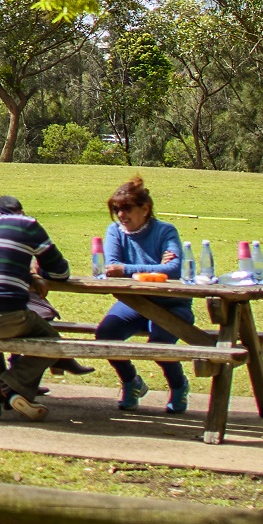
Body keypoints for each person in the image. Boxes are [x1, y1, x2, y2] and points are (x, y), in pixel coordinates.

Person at [0, 192, 70, 420]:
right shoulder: (27, 225)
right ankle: (5, 388)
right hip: (6, 316)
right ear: (20, 212)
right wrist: (36, 273)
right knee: (53, 343)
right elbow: (61, 272)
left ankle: (10, 392)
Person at [94, 176, 190, 415]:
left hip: (170, 304)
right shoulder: (115, 231)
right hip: (133, 303)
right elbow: (111, 267)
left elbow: (174, 270)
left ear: (145, 209)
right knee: (106, 334)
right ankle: (131, 382)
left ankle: (179, 386)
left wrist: (128, 269)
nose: (120, 215)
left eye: (126, 208)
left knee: (160, 344)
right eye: (116, 209)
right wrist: (154, 268)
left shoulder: (166, 231)